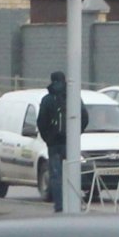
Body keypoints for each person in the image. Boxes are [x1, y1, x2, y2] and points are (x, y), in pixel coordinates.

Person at [36, 70, 88, 213]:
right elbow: (84, 116)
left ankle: (59, 206)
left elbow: (41, 121)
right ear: (65, 81)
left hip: (54, 145)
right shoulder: (73, 97)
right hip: (70, 143)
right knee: (73, 172)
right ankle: (75, 203)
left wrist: (48, 138)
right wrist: (76, 134)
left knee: (56, 175)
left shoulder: (47, 99)